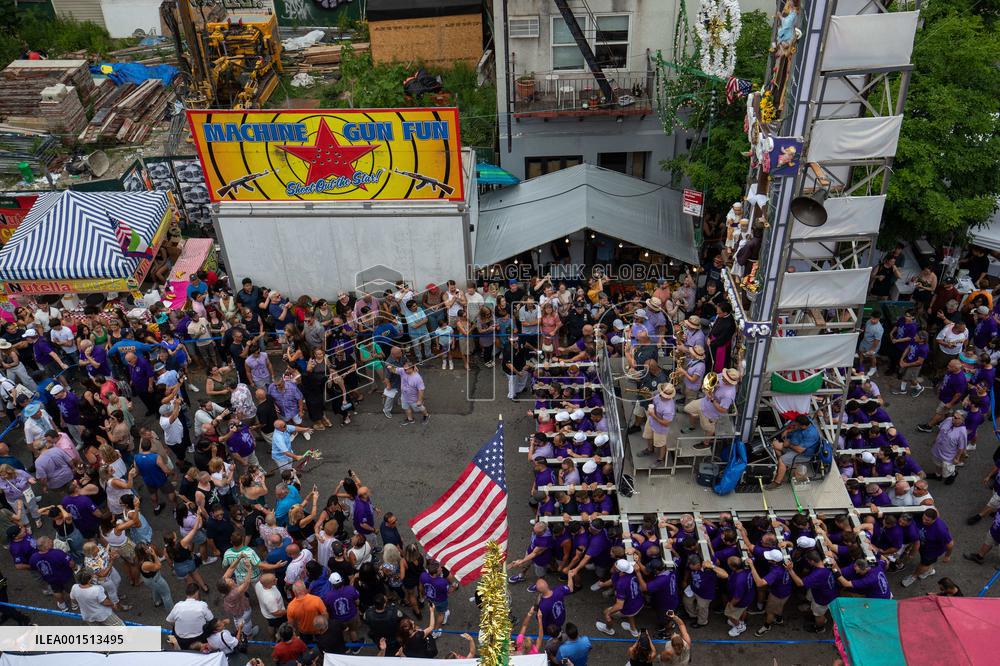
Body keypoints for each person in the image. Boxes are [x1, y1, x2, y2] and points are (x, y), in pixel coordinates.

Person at [682, 367, 739, 450]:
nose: (722, 378)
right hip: (703, 403)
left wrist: (712, 399)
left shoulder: (729, 394)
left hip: (711, 413)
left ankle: (706, 444)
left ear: (730, 382)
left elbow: (723, 410)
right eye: (723, 376)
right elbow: (708, 381)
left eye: (725, 378)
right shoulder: (721, 376)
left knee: (708, 429)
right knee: (687, 408)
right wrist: (707, 389)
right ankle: (696, 422)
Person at [902, 508, 953, 588]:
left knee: (924, 563)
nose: (924, 521)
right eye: (923, 518)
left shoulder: (941, 530)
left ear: (935, 519)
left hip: (932, 550)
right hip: (923, 544)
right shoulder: (921, 516)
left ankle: (914, 576)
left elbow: (950, 544)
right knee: (926, 563)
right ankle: (929, 570)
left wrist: (947, 556)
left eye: (927, 520)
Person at [766, 415, 821, 489]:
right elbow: (795, 427)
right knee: (775, 445)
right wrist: (787, 431)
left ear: (804, 426)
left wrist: (789, 445)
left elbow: (800, 450)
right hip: (792, 445)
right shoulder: (806, 420)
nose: (796, 426)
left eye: (798, 425)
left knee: (782, 460)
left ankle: (777, 482)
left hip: (802, 454)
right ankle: (784, 466)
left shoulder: (811, 434)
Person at [927, 411, 967, 485]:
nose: (953, 418)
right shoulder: (949, 419)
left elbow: (961, 447)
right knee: (937, 464)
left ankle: (953, 474)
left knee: (947, 470)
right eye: (953, 415)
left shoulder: (962, 432)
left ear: (962, 420)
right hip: (938, 449)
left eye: (956, 418)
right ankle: (937, 476)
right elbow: (941, 430)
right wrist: (935, 440)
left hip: (948, 455)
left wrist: (957, 458)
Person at [391, 361, 428, 425]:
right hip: (404, 396)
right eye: (405, 369)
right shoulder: (403, 370)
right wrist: (390, 368)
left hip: (414, 398)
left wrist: (419, 400)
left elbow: (421, 390)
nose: (405, 371)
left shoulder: (417, 378)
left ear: (413, 368)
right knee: (406, 408)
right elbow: (394, 370)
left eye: (407, 369)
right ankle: (410, 419)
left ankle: (426, 415)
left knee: (420, 408)